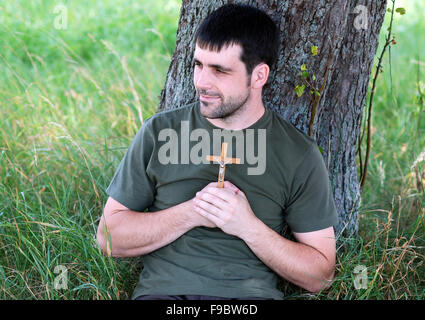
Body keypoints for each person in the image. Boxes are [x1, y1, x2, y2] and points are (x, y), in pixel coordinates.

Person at [96, 4, 338, 300]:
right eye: (198, 65)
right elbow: (109, 237)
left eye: (220, 70)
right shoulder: (160, 133)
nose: (201, 82)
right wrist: (194, 212)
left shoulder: (297, 153)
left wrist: (247, 226)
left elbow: (320, 276)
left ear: (259, 75)